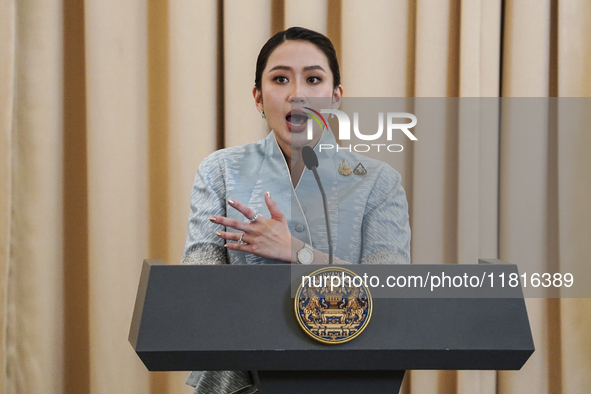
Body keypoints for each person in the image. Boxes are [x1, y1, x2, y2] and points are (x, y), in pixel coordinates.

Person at [182, 27, 411, 394]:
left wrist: (298, 253)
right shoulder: (219, 170)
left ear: (335, 97)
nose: (297, 93)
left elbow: (389, 293)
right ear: (258, 97)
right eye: (280, 79)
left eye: (314, 79)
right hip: (240, 381)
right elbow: (198, 288)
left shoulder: (379, 182)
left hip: (348, 377)